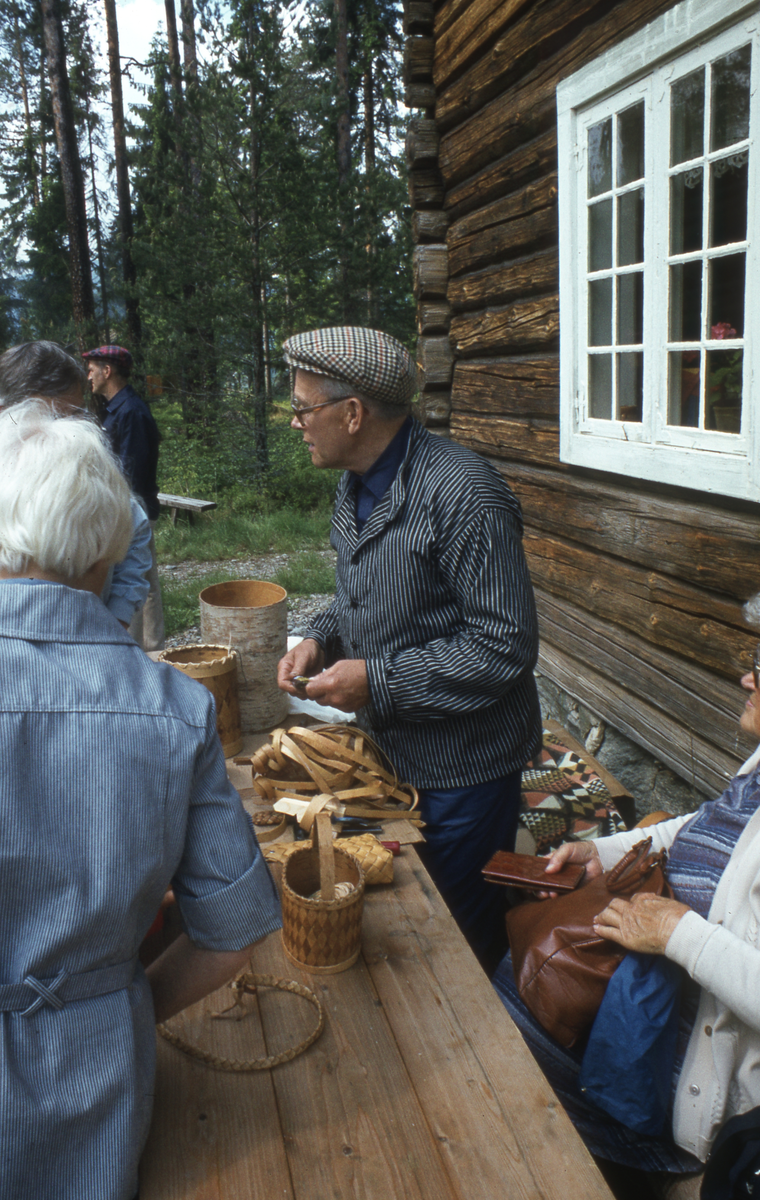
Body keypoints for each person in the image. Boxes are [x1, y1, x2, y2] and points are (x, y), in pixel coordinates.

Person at [0, 400, 282, 1200]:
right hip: (97, 1089)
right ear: (105, 553)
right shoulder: (171, 705)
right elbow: (232, 936)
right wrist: (115, 1009)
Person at [277, 326, 542, 972]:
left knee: (455, 941)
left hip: (464, 772)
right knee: (406, 926)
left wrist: (378, 683)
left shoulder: (462, 494)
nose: (294, 423)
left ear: (352, 412)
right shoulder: (356, 481)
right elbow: (363, 593)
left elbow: (505, 645)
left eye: (303, 407)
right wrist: (319, 635)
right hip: (390, 759)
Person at [493, 586, 760, 1191]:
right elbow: (700, 826)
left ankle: (601, 1165)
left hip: (690, 1070)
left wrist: (679, 934)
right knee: (517, 968)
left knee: (511, 1013)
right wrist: (602, 851)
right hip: (658, 993)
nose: (747, 678)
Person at [0, 340, 152, 630]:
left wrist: (114, 623)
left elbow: (135, 522)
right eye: (55, 416)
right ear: (6, 410)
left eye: (75, 416)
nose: (67, 430)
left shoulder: (86, 477)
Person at [83, 344, 164, 651]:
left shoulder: (131, 411)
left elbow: (131, 472)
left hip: (132, 512)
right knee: (137, 579)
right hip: (122, 510)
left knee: (138, 580)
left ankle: (148, 651)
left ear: (108, 371)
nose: (88, 375)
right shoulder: (115, 408)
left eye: (92, 369)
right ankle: (144, 650)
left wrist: (117, 512)